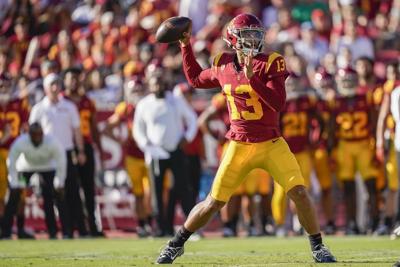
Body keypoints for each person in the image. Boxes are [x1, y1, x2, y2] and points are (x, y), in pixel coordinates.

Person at [157, 13, 336, 264]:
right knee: (213, 202)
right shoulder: (222, 64)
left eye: (256, 34)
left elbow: (278, 103)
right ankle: (176, 243)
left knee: (299, 192)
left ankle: (318, 247)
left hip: (271, 142)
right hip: (239, 144)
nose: (252, 40)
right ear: (233, 39)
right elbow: (196, 79)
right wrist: (185, 46)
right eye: (246, 35)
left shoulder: (271, 62)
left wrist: (253, 79)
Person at [133, 62, 198, 237]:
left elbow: (192, 119)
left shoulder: (175, 100)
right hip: (155, 154)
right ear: (150, 85)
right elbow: (138, 130)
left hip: (175, 151)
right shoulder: (144, 104)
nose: (158, 86)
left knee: (184, 189)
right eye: (155, 83)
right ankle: (161, 228)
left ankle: (191, 228)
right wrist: (148, 147)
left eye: (161, 82)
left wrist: (187, 137)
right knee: (156, 193)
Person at [29, 73, 88, 238]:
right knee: (48, 195)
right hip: (46, 156)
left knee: (71, 192)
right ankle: (53, 231)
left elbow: (77, 131)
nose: (55, 88)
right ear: (46, 88)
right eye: (52, 85)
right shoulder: (39, 109)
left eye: (57, 84)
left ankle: (74, 230)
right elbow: (32, 133)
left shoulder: (69, 106)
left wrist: (80, 151)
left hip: (66, 153)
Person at [332, 67, 379, 234]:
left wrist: (375, 143)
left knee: (371, 184)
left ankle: (375, 221)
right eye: (344, 80)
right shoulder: (336, 101)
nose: (347, 83)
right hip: (345, 145)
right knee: (348, 186)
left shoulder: (365, 97)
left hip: (364, 143)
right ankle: (352, 223)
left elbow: (373, 120)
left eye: (350, 80)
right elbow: (332, 127)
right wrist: (333, 147)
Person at [104, 76, 153, 237]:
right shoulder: (126, 108)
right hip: (133, 156)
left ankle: (151, 221)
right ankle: (142, 224)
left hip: (149, 154)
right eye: (134, 90)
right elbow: (108, 127)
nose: (136, 92)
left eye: (139, 89)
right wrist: (120, 140)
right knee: (138, 193)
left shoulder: (148, 105)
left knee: (150, 193)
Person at [1, 123, 65, 239]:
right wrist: (14, 182)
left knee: (50, 196)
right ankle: (7, 231)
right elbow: (12, 160)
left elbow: (61, 160)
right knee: (15, 196)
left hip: (47, 168)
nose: (36, 138)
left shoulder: (52, 142)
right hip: (25, 168)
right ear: (29, 135)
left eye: (38, 135)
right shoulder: (21, 142)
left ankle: (53, 231)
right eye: (34, 135)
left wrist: (59, 181)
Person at [63, 67, 104, 237]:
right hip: (67, 147)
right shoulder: (61, 101)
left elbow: (94, 128)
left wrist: (99, 148)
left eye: (76, 78)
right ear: (64, 81)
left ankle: (93, 228)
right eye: (70, 78)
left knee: (89, 189)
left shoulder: (88, 101)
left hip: (85, 146)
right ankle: (75, 227)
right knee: (70, 190)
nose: (74, 81)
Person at [0, 73, 32, 239]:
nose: (4, 88)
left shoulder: (20, 104)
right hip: (0, 152)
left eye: (6, 85)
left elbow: (27, 128)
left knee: (21, 190)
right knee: (0, 191)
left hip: (18, 153)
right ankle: (2, 228)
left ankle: (20, 227)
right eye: (1, 85)